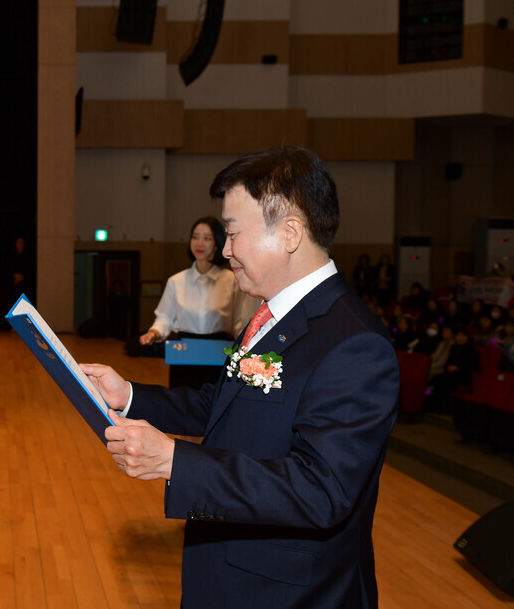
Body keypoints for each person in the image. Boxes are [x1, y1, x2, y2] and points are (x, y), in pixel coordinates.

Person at [80, 147, 399, 608]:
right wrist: (128, 395)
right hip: (232, 575)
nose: (224, 250)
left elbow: (320, 490)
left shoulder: (353, 343)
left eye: (231, 233)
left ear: (290, 232)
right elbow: (223, 405)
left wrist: (176, 461)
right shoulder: (276, 316)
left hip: (288, 592)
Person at [139, 216, 259, 387]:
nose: (199, 243)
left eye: (207, 238)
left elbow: (240, 321)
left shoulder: (232, 280)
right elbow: (164, 318)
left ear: (217, 243)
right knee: (181, 404)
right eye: (195, 237)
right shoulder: (176, 281)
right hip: (184, 353)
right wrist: (154, 333)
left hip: (219, 352)